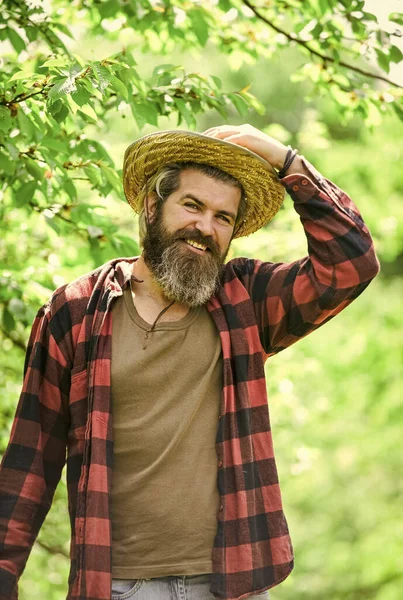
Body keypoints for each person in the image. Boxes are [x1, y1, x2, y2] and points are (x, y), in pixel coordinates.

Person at [0, 124, 380, 600]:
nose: (206, 227)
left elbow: (351, 264)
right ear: (152, 206)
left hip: (231, 583)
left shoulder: (246, 300)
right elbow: (30, 460)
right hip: (118, 585)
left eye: (224, 217)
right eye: (192, 205)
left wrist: (286, 161)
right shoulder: (74, 312)